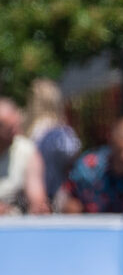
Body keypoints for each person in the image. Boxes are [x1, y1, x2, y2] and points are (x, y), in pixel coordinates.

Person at [25, 78, 82, 206]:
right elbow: (73, 155)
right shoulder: (61, 133)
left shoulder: (29, 131)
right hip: (56, 195)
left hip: (32, 195)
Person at [0, 97, 50, 215]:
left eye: (16, 126)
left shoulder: (27, 151)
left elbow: (37, 197)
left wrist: (39, 206)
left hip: (13, 222)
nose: (16, 132)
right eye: (10, 129)